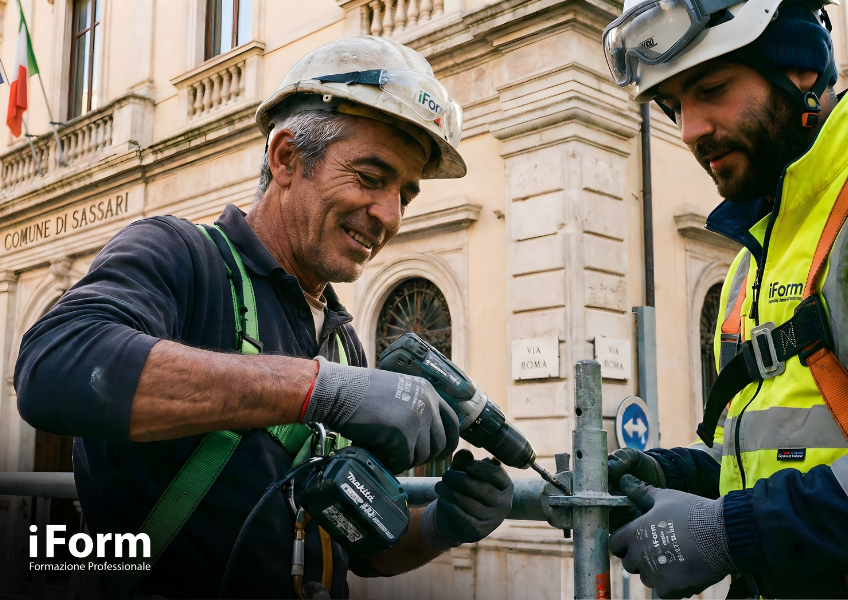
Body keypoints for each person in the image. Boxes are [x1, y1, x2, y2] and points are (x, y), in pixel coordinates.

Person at [14, 36, 513, 599]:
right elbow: (53, 367)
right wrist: (320, 390)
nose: (390, 215)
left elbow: (355, 542)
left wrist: (442, 526)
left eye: (406, 194)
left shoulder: (342, 339)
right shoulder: (181, 258)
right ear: (286, 158)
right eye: (372, 178)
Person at [600, 0, 848, 597]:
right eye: (675, 106)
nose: (689, 131)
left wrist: (732, 533)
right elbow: (772, 459)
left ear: (799, 71)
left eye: (711, 87)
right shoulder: (748, 266)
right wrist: (678, 474)